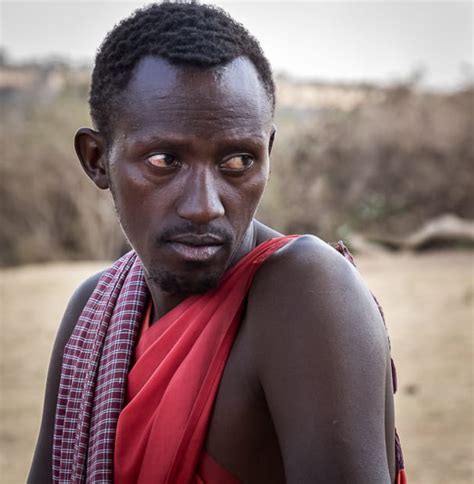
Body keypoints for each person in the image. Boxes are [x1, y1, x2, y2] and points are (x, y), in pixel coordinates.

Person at [28, 2, 406, 483]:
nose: (205, 206)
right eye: (165, 160)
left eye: (237, 161)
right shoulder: (93, 312)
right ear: (97, 159)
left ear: (267, 155)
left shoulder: (305, 292)